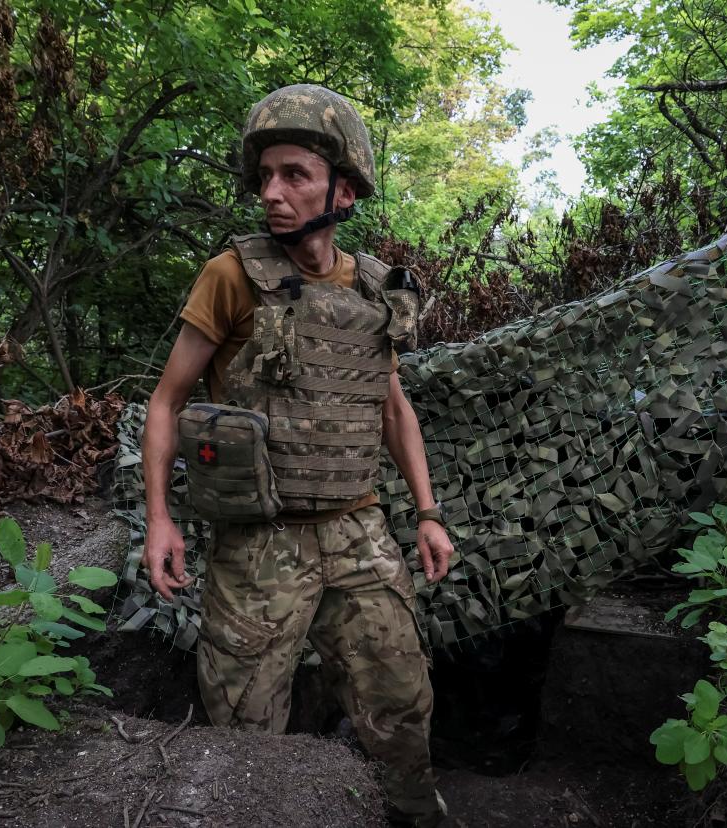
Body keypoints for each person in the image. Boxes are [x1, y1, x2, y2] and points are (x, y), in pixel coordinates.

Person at [140, 83, 453, 827]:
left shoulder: (376, 288)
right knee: (245, 730)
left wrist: (429, 513)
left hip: (357, 531)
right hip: (259, 544)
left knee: (401, 702)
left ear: (343, 190)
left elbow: (391, 406)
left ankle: (413, 815)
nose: (271, 194)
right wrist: (161, 519)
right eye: (265, 177)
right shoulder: (231, 276)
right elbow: (165, 403)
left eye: (294, 175)